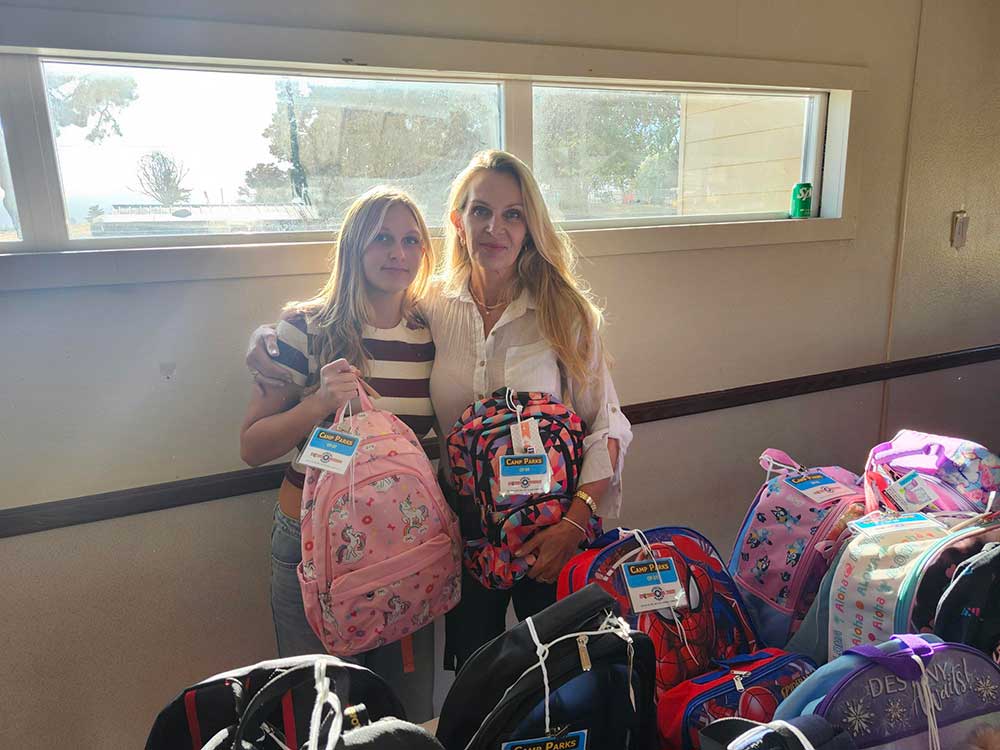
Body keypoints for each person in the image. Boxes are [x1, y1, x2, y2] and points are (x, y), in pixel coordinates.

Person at [247, 150, 633, 672]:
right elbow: (351, 311)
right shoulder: (431, 307)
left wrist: (574, 523)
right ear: (458, 221)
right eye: (481, 211)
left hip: (550, 531)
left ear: (530, 228)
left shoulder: (565, 314)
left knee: (565, 675)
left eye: (513, 214)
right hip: (459, 530)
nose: (495, 228)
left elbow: (605, 425)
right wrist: (269, 337)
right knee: (474, 676)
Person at [239, 186, 437, 721]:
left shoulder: (430, 332)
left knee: (404, 714)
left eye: (411, 240)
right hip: (312, 540)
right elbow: (252, 446)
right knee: (320, 713)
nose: (398, 253)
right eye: (382, 239)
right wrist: (318, 403)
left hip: (404, 542)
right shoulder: (305, 328)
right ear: (354, 245)